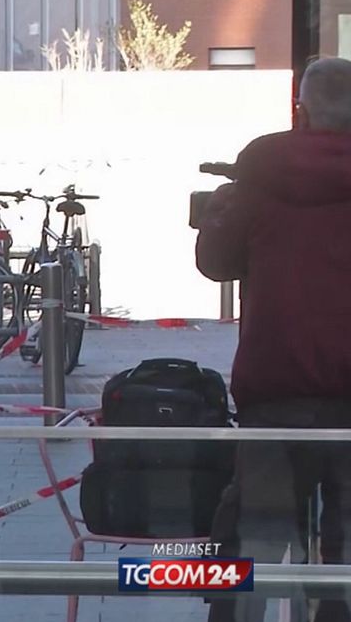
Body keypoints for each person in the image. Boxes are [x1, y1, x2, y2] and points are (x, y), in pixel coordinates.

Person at [196, 57, 351, 622]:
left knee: (253, 540)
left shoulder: (260, 175)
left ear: (301, 109)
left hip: (275, 386)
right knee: (348, 552)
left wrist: (220, 213)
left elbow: (215, 264)